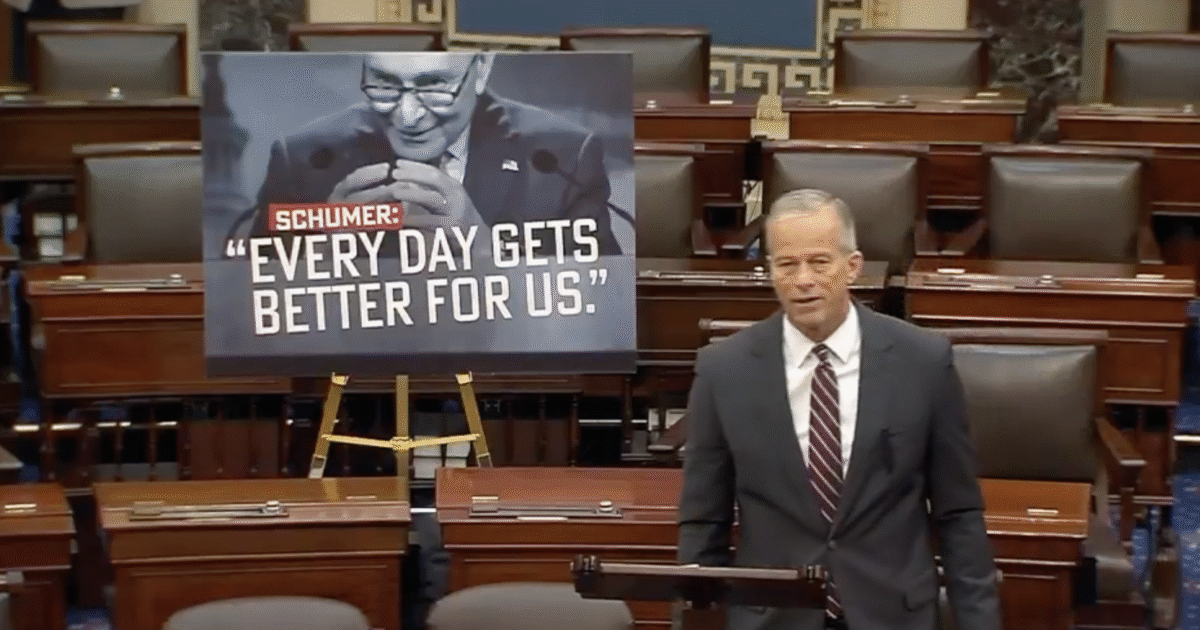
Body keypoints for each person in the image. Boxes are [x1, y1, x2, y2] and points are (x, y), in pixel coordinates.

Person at [676, 189, 1000, 630]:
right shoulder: (723, 370)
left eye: (819, 262)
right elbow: (703, 521)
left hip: (891, 614)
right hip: (774, 617)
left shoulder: (922, 361)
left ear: (853, 267)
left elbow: (959, 513)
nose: (803, 280)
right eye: (786, 265)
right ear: (769, 271)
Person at [244, 51, 622, 258]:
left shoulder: (562, 157)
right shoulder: (302, 157)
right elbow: (248, 300)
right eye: (385, 85)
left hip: (503, 376)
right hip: (361, 377)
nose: (407, 116)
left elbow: (600, 299)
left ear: (483, 66)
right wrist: (325, 248)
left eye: (435, 86)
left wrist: (487, 250)